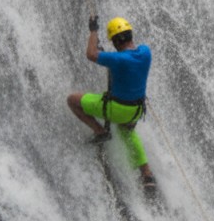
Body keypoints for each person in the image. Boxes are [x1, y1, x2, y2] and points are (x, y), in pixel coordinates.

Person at [67, 15, 158, 197]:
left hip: (117, 109)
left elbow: (91, 54)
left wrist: (93, 30)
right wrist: (108, 54)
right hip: (136, 111)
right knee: (127, 132)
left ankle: (100, 132)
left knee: (72, 100)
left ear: (116, 41)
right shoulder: (145, 53)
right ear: (130, 35)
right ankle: (146, 174)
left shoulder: (117, 60)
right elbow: (123, 59)